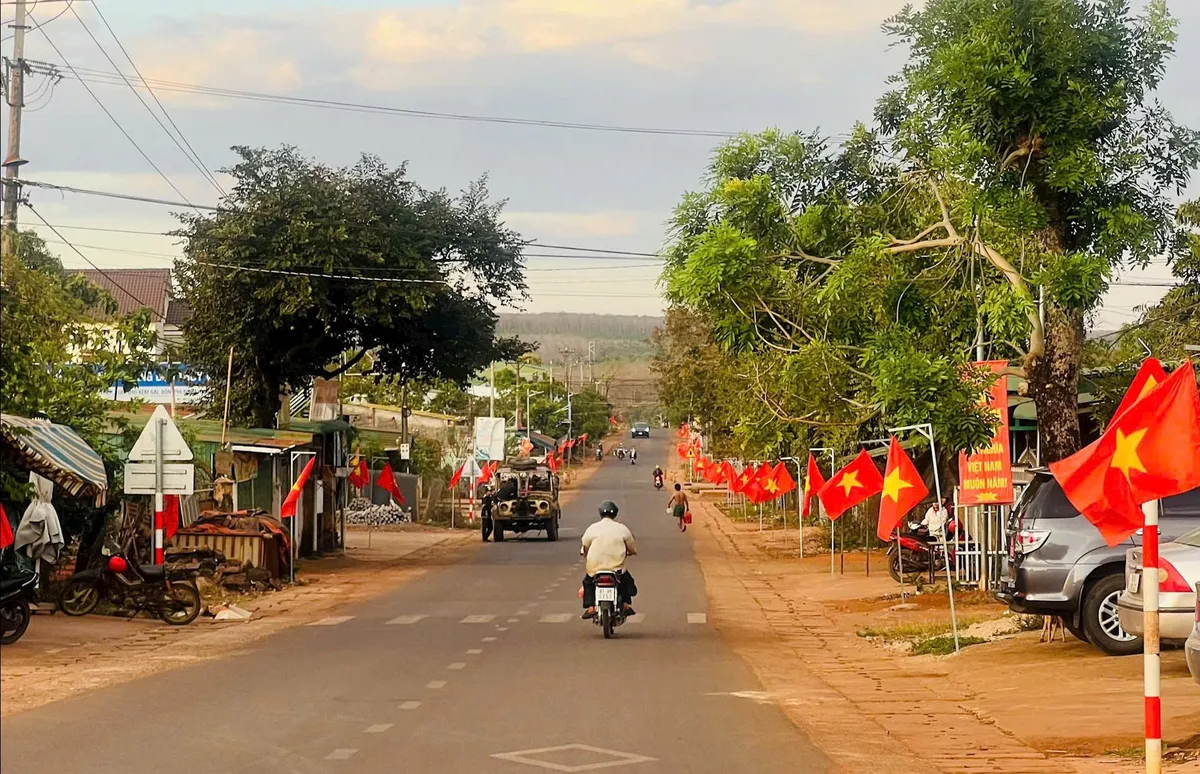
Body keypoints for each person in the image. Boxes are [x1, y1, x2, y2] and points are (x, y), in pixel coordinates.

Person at [580, 500, 637, 619]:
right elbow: (631, 545)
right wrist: (631, 552)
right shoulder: (622, 529)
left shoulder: (592, 528)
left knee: (588, 582)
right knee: (626, 581)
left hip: (595, 567)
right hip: (616, 568)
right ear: (615, 514)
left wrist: (585, 552)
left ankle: (591, 608)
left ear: (600, 513)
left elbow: (585, 544)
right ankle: (626, 605)